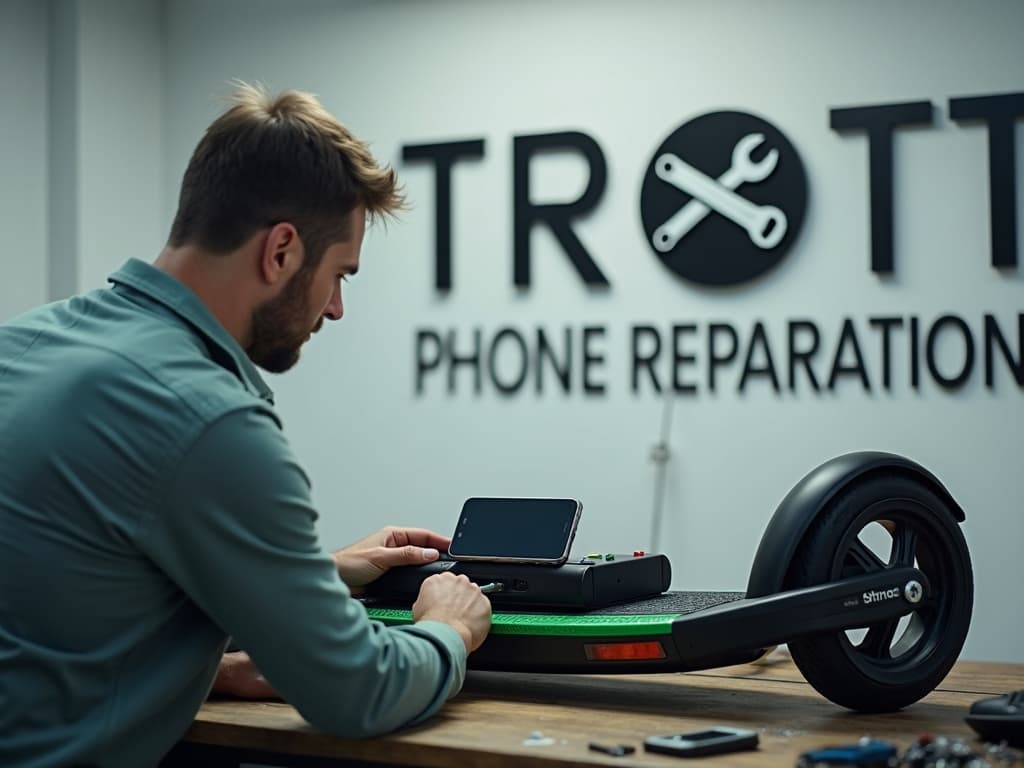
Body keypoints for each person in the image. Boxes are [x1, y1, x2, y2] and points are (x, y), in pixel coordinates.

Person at [0, 82, 492, 767]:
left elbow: (63, 590)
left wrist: (297, 586)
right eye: (340, 275)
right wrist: (448, 628)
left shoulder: (20, 345)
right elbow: (358, 692)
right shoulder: (210, 418)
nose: (337, 309)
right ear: (282, 252)